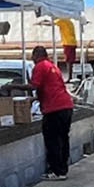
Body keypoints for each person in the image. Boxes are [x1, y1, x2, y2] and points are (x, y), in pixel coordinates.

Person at [29, 45, 74, 178]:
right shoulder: (52, 66)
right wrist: (36, 98)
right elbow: (51, 88)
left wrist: (11, 86)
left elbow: (33, 85)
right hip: (66, 105)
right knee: (63, 138)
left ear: (36, 55)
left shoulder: (40, 66)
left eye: (33, 56)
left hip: (54, 108)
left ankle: (56, 170)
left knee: (52, 139)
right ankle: (63, 169)